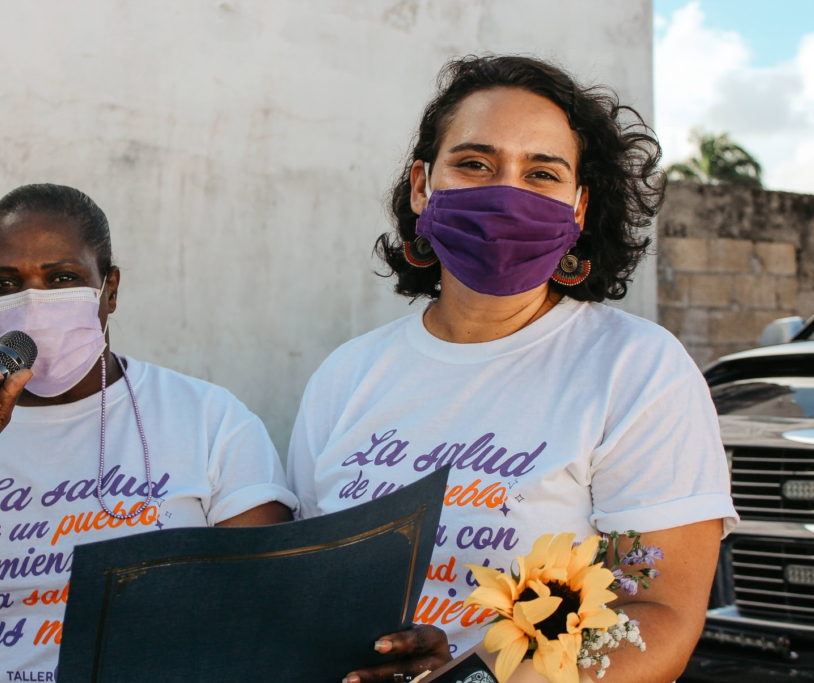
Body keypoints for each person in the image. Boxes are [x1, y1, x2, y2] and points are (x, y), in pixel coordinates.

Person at [288, 55, 738, 683]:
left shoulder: (635, 369)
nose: (506, 193)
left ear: (578, 207)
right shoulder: (346, 375)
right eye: (474, 164)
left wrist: (476, 679)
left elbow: (657, 614)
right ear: (422, 187)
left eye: (542, 173)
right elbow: (304, 583)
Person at [0, 184, 297, 683]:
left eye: (62, 278)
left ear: (111, 290)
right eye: (6, 283)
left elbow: (268, 616)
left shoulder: (206, 418)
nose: (33, 304)